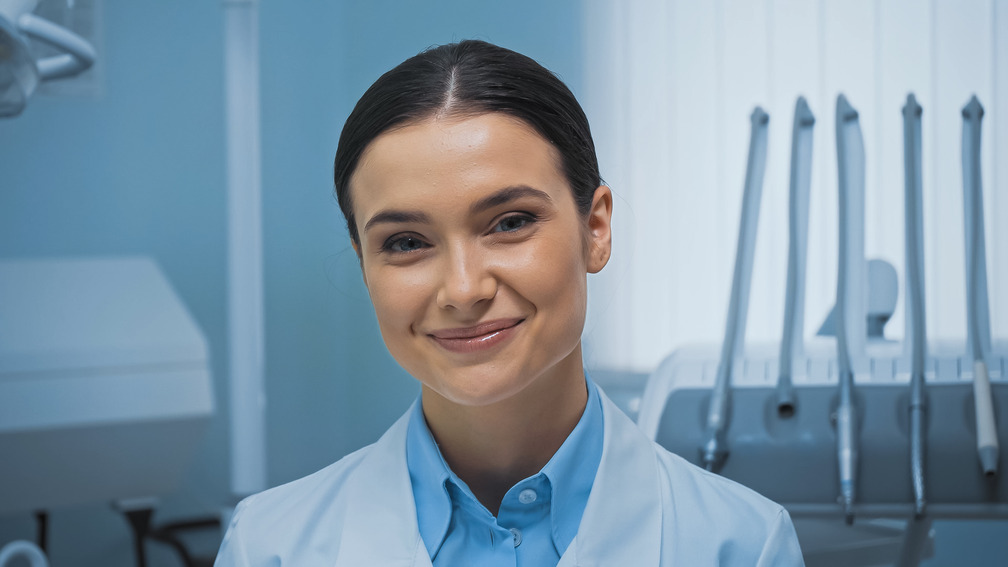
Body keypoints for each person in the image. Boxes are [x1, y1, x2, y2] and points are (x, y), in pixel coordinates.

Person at [214, 39, 805, 566]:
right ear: (365, 264)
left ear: (594, 229)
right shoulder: (269, 547)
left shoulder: (741, 545)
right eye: (407, 243)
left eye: (510, 223)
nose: (465, 288)